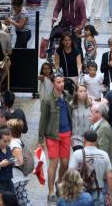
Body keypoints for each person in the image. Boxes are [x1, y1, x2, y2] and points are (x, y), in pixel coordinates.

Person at [38, 74, 73, 203]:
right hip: (52, 135)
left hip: (66, 133)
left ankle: (59, 182)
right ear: (53, 83)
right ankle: (51, 191)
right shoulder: (47, 100)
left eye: (63, 81)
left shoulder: (67, 95)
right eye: (59, 82)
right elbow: (43, 120)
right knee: (54, 163)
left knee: (65, 163)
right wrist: (40, 139)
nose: (62, 84)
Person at [68, 130, 112, 206]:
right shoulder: (104, 154)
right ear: (96, 140)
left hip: (81, 193)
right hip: (98, 193)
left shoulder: (77, 154)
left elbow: (70, 174)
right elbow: (110, 176)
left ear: (84, 140)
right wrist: (110, 194)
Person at [71, 84, 93, 150]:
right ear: (76, 93)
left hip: (89, 138)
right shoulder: (71, 105)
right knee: (80, 158)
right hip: (76, 139)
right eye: (80, 91)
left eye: (85, 91)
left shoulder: (91, 104)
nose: (83, 93)